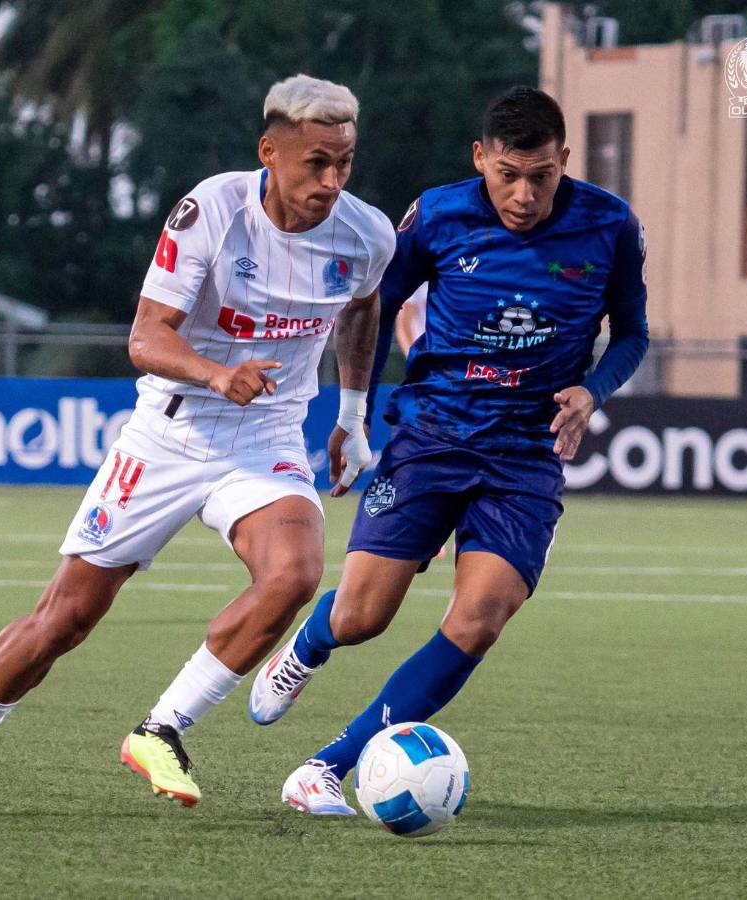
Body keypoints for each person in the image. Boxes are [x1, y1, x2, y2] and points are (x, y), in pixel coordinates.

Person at [0, 74, 396, 822]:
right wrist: (216, 374)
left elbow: (362, 310)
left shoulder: (366, 235)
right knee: (62, 621)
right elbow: (145, 337)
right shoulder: (212, 212)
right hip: (169, 432)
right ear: (269, 152)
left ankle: (161, 728)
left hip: (265, 438)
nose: (331, 181)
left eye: (344, 163)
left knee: (294, 574)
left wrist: (353, 412)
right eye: (315, 163)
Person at [248, 86, 649, 815]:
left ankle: (324, 768)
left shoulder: (610, 225)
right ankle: (309, 643)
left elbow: (631, 333)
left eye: (541, 176)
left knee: (479, 617)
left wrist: (593, 390)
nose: (523, 195)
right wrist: (354, 414)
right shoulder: (435, 214)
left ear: (564, 160)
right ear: (479, 159)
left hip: (526, 455)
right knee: (363, 615)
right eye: (507, 175)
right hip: (431, 436)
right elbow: (369, 304)